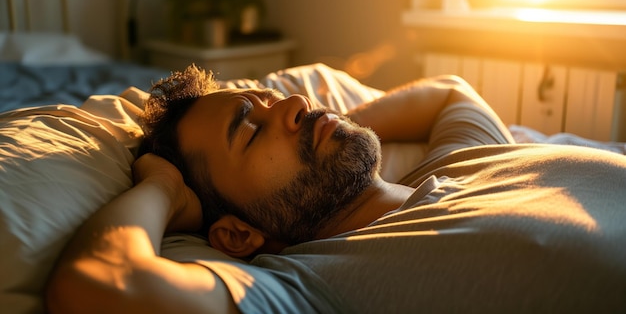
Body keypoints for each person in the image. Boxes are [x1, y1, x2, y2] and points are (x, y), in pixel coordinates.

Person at [46, 65, 626, 313]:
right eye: (248, 130)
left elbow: (448, 92)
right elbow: (103, 287)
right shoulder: (317, 284)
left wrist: (337, 127)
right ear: (239, 232)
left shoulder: (461, 161)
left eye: (273, 102)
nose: (298, 103)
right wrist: (165, 186)